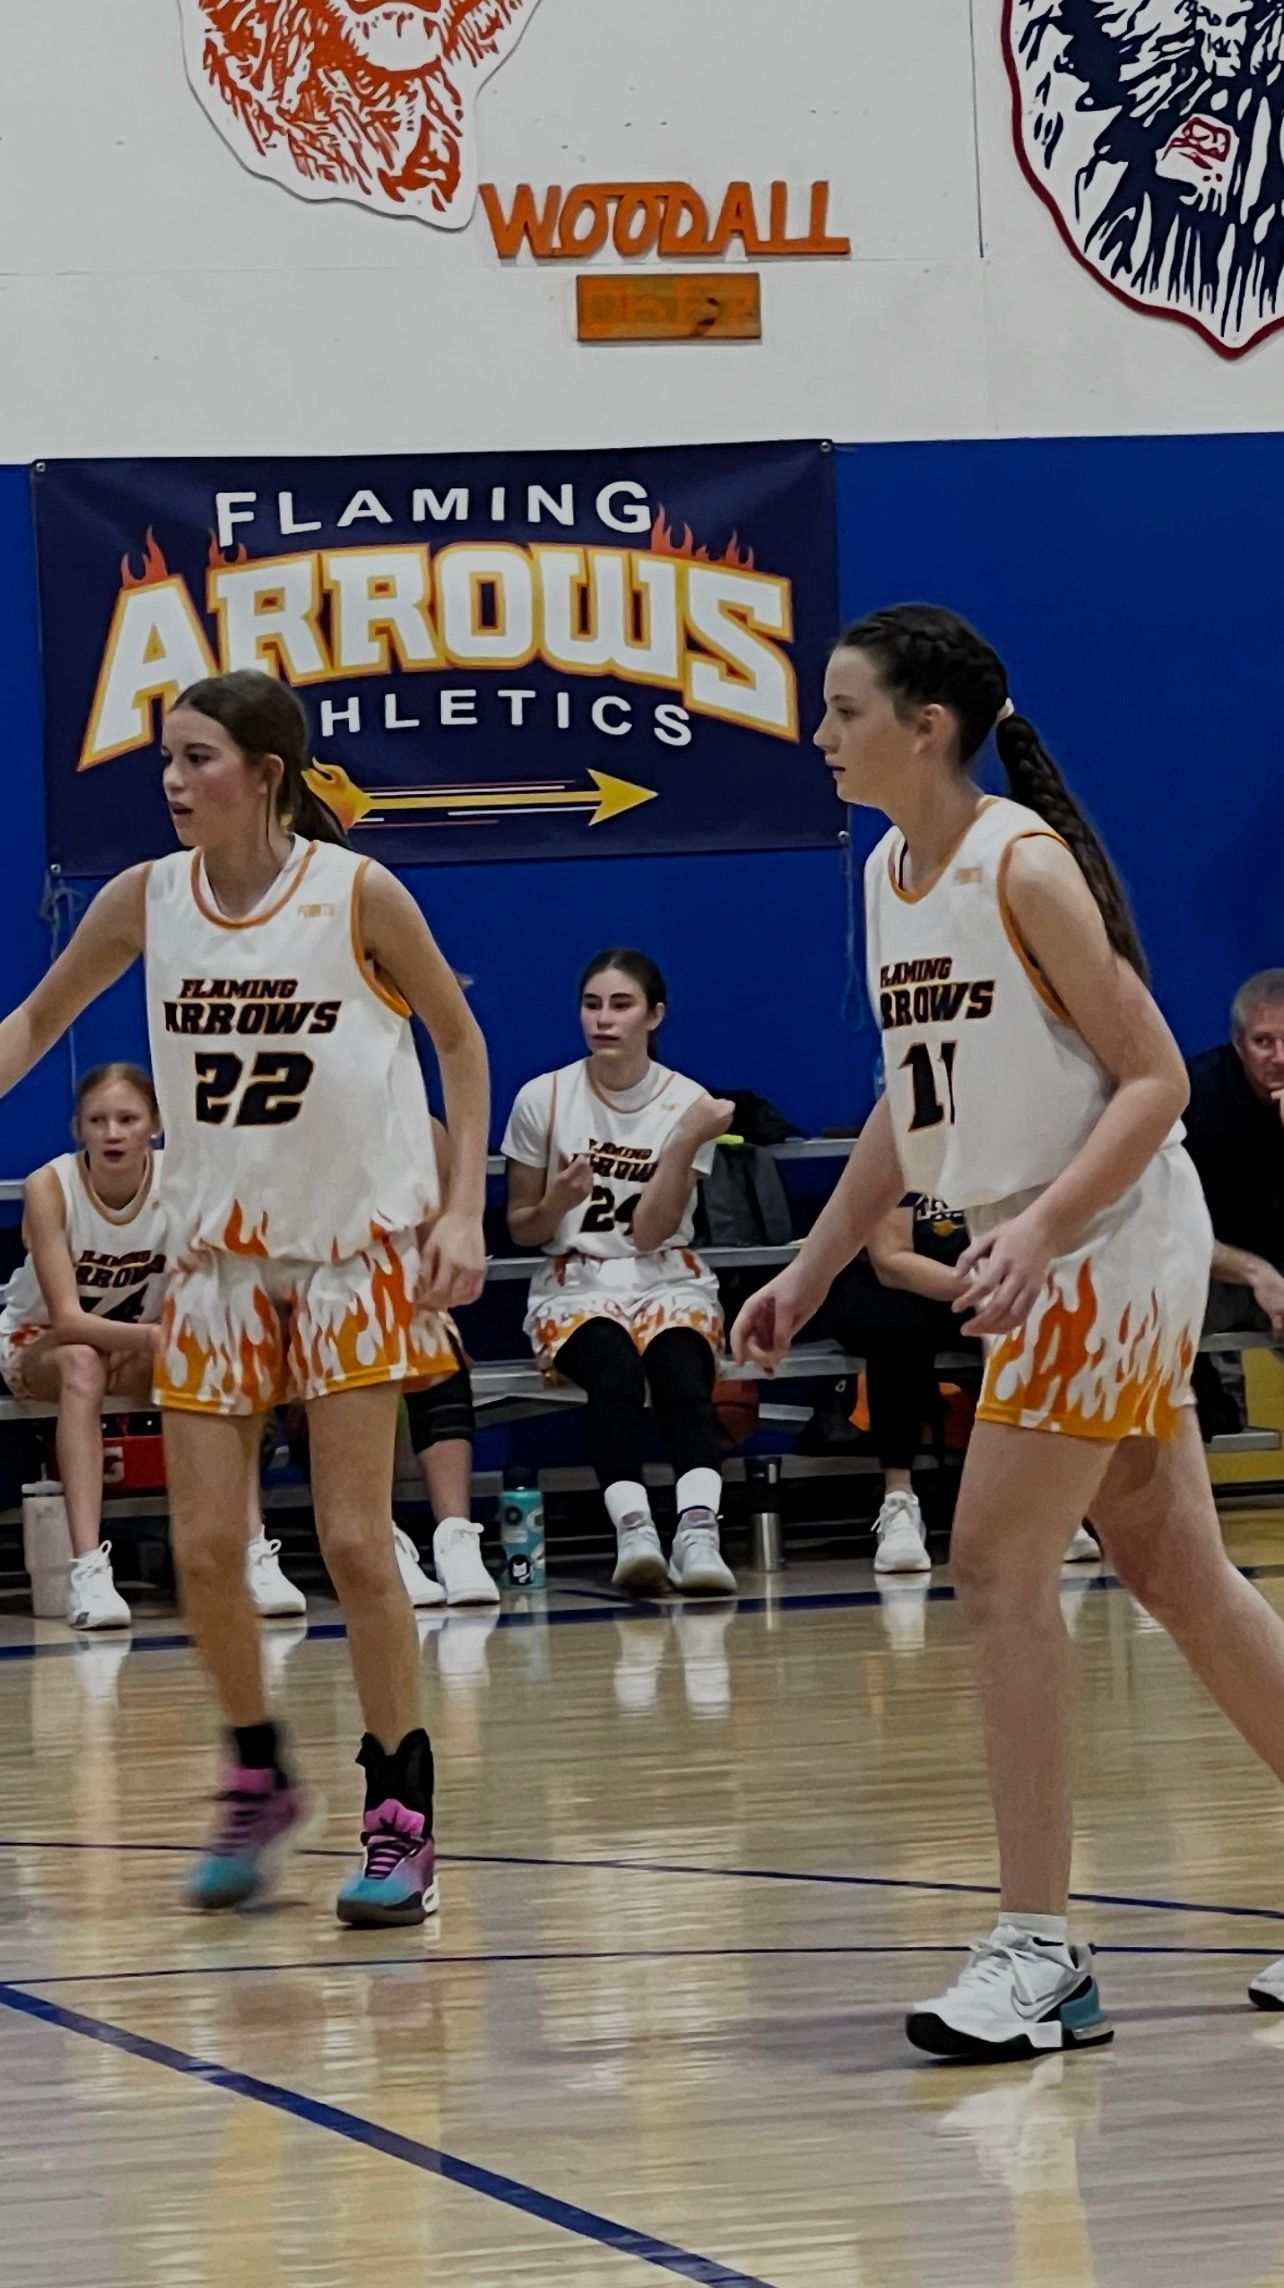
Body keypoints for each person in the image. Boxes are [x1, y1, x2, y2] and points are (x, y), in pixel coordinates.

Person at [732, 604, 1284, 2055]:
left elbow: (1157, 1078)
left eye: (843, 709)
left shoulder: (1020, 866)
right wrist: (808, 1264)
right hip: (1046, 1246)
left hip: (1103, 1233)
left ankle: (1041, 1948)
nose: (819, 732)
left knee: (989, 1561)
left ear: (929, 725)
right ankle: (1046, 1946)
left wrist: (1037, 1230)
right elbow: (909, 1110)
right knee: (1180, 1575)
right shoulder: (885, 875)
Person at [0, 669, 488, 1927]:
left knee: (349, 1537)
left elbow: (460, 1039)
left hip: (349, 1252)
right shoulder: (146, 898)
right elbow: (40, 1019)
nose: (171, 778)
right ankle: (260, 1771)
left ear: (265, 773)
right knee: (208, 1550)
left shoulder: (356, 892)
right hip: (216, 1256)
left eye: (197, 756)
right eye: (165, 757)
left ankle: (402, 1815)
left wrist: (463, 1208)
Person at [503, 949, 736, 1596]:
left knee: (681, 1368)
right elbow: (521, 1227)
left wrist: (687, 1139)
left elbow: (653, 1231)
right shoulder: (541, 1098)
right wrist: (557, 1202)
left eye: (621, 1005)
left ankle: (697, 1532)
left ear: (654, 1015)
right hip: (575, 1279)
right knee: (615, 1371)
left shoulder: (688, 1102)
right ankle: (634, 1531)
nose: (603, 1019)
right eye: (592, 1004)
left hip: (665, 1271)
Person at [1183, 971, 1284, 1439]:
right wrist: (1256, 1273)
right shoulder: (1191, 1097)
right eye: (1264, 1042)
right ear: (1239, 1044)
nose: (1280, 1058)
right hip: (1202, 1271)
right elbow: (1169, 1229)